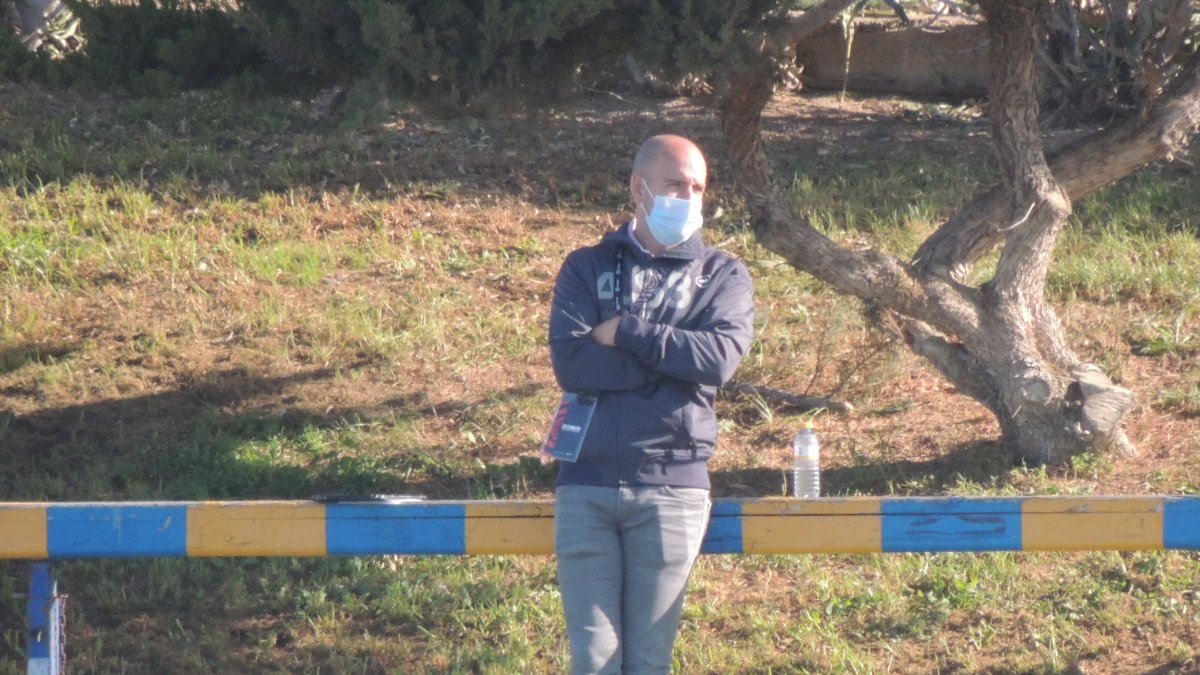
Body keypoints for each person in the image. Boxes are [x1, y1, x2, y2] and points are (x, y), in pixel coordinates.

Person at [547, 134, 756, 674]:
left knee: (648, 662)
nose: (688, 197)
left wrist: (626, 331)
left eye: (697, 187)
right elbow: (573, 364)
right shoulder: (585, 267)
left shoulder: (724, 276)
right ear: (639, 190)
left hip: (673, 489)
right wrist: (671, 366)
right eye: (675, 185)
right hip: (585, 488)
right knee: (593, 661)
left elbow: (717, 362)